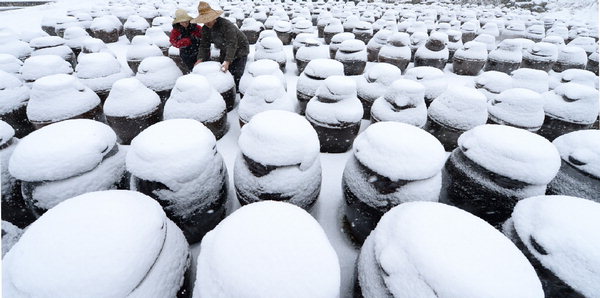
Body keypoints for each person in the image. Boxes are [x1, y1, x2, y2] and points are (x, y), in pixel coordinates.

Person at [192, 1, 249, 89]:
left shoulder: (226, 25)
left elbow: (232, 43)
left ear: (214, 17)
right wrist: (200, 59)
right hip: (224, 47)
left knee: (237, 72)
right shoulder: (205, 29)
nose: (206, 23)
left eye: (208, 19)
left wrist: (227, 61)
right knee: (223, 70)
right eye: (204, 20)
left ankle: (237, 89)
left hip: (240, 47)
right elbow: (204, 45)